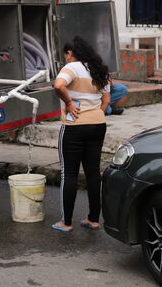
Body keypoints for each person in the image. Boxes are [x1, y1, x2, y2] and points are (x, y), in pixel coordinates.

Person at [52, 35, 111, 233]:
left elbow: (58, 85)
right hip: (98, 125)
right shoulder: (98, 69)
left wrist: (69, 103)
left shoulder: (72, 67)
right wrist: (96, 113)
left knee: (68, 173)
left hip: (74, 126)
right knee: (93, 172)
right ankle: (93, 219)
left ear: (70, 53)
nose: (65, 59)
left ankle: (65, 222)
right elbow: (106, 99)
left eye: (65, 55)